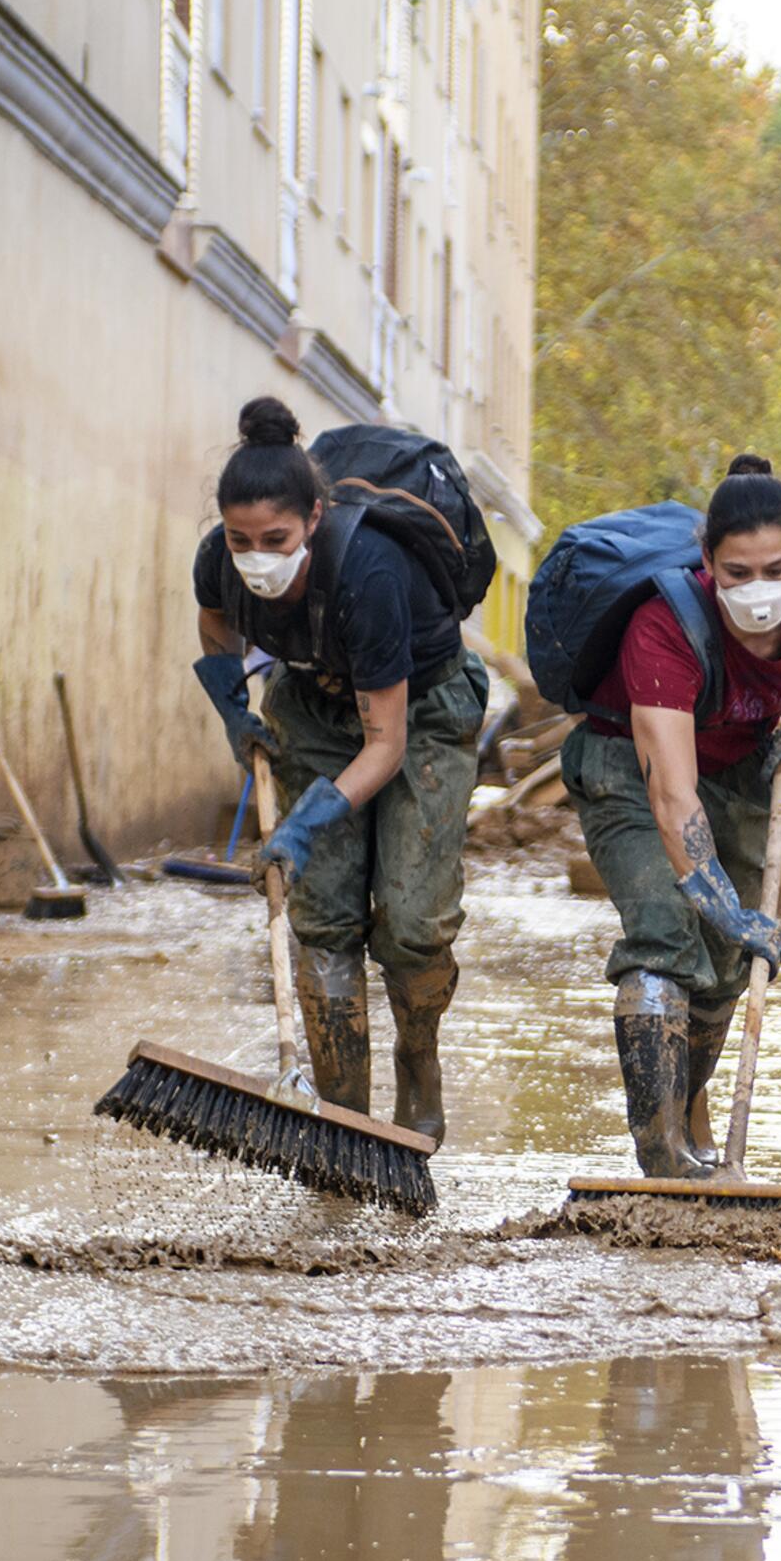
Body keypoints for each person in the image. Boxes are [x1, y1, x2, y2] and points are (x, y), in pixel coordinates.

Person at [190, 398, 488, 1147]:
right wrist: (233, 706)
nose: (256, 556)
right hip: (314, 705)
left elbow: (384, 747)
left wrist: (305, 825)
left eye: (276, 539)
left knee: (415, 922)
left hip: (417, 712)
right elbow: (216, 622)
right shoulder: (218, 562)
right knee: (322, 923)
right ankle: (347, 1126)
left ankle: (418, 1058)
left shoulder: (369, 574)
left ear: (314, 520)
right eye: (240, 539)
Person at [562, 457, 781, 1177]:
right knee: (669, 939)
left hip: (737, 767)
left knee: (729, 967)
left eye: (776, 567)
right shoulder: (663, 626)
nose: (758, 590)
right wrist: (727, 908)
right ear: (707, 563)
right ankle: (662, 1154)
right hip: (629, 773)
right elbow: (673, 798)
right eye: (737, 573)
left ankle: (692, 1113)